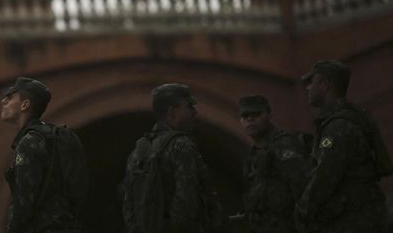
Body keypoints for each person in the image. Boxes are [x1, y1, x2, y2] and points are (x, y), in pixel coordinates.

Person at [295, 60, 393, 233]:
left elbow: (324, 177)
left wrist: (301, 210)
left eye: (312, 82)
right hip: (362, 217)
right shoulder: (348, 118)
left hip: (357, 222)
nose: (307, 88)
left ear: (325, 85)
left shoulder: (338, 127)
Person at [122, 83, 227, 233]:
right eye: (189, 107)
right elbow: (187, 199)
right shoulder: (181, 145)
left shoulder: (139, 150)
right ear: (172, 112)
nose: (194, 112)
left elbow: (128, 204)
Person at [1, 77, 86, 233]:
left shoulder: (28, 143)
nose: (3, 102)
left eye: (10, 97)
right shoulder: (54, 137)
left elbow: (24, 202)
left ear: (25, 105)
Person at [238, 95, 309, 233]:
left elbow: (303, 188)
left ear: (269, 115)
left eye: (256, 114)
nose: (250, 119)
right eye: (245, 116)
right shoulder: (254, 153)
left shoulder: (284, 144)